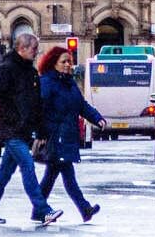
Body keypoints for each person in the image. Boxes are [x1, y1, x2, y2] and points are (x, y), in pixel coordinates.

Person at [0, 33, 63, 226]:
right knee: (27, 165)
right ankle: (43, 209)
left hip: (22, 129)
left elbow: (36, 103)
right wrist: (14, 120)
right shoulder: (6, 69)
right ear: (22, 48)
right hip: (10, 129)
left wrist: (40, 130)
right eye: (33, 49)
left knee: (5, 172)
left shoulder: (30, 72)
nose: (36, 53)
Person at [37, 47, 108, 223]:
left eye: (69, 61)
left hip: (67, 135)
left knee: (51, 176)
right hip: (55, 136)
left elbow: (81, 105)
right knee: (67, 175)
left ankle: (38, 210)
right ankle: (84, 209)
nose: (68, 64)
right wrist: (40, 131)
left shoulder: (69, 83)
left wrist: (97, 118)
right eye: (64, 61)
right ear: (54, 63)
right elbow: (39, 108)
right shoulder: (46, 82)